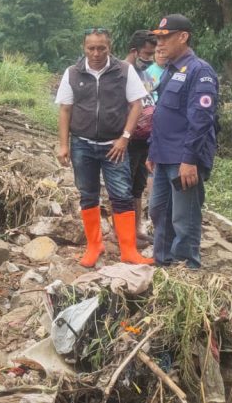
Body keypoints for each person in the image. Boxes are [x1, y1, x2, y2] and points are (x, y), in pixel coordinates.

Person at [56, 27, 153, 267]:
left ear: (109, 48)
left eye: (102, 48)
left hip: (115, 146)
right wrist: (63, 145)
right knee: (88, 194)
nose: (96, 53)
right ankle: (94, 245)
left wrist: (125, 138)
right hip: (82, 145)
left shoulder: (123, 71)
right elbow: (65, 110)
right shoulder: (72, 73)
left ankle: (128, 249)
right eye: (91, 48)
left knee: (121, 195)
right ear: (84, 48)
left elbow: (136, 105)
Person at [146, 14, 219, 269]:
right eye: (157, 39)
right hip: (164, 155)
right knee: (158, 210)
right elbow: (161, 113)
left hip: (183, 159)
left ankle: (186, 269)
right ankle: (163, 264)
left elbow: (201, 119)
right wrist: (152, 152)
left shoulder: (200, 71)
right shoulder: (169, 71)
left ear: (183, 37)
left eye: (165, 38)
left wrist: (190, 159)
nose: (159, 44)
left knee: (183, 218)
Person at [124, 30, 159, 245]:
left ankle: (135, 230)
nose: (149, 58)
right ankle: (123, 232)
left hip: (144, 139)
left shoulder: (144, 74)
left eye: (152, 54)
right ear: (134, 51)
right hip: (126, 140)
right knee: (122, 187)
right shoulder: (121, 72)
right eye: (146, 54)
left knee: (137, 187)